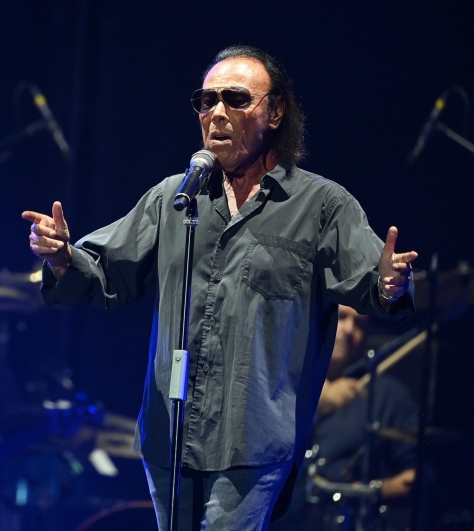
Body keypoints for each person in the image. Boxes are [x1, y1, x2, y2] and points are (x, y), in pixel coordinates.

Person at [22, 45, 417, 531]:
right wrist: (62, 255)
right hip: (170, 434)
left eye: (235, 99)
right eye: (206, 101)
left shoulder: (321, 205)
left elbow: (372, 282)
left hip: (251, 441)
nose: (217, 114)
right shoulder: (175, 198)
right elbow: (105, 270)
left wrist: (391, 283)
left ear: (274, 113)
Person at [270, 305, 418, 531]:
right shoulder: (285, 386)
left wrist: (367, 490)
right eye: (341, 317)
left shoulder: (386, 395)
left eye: (360, 324)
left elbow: (415, 476)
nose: (349, 329)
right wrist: (317, 397)